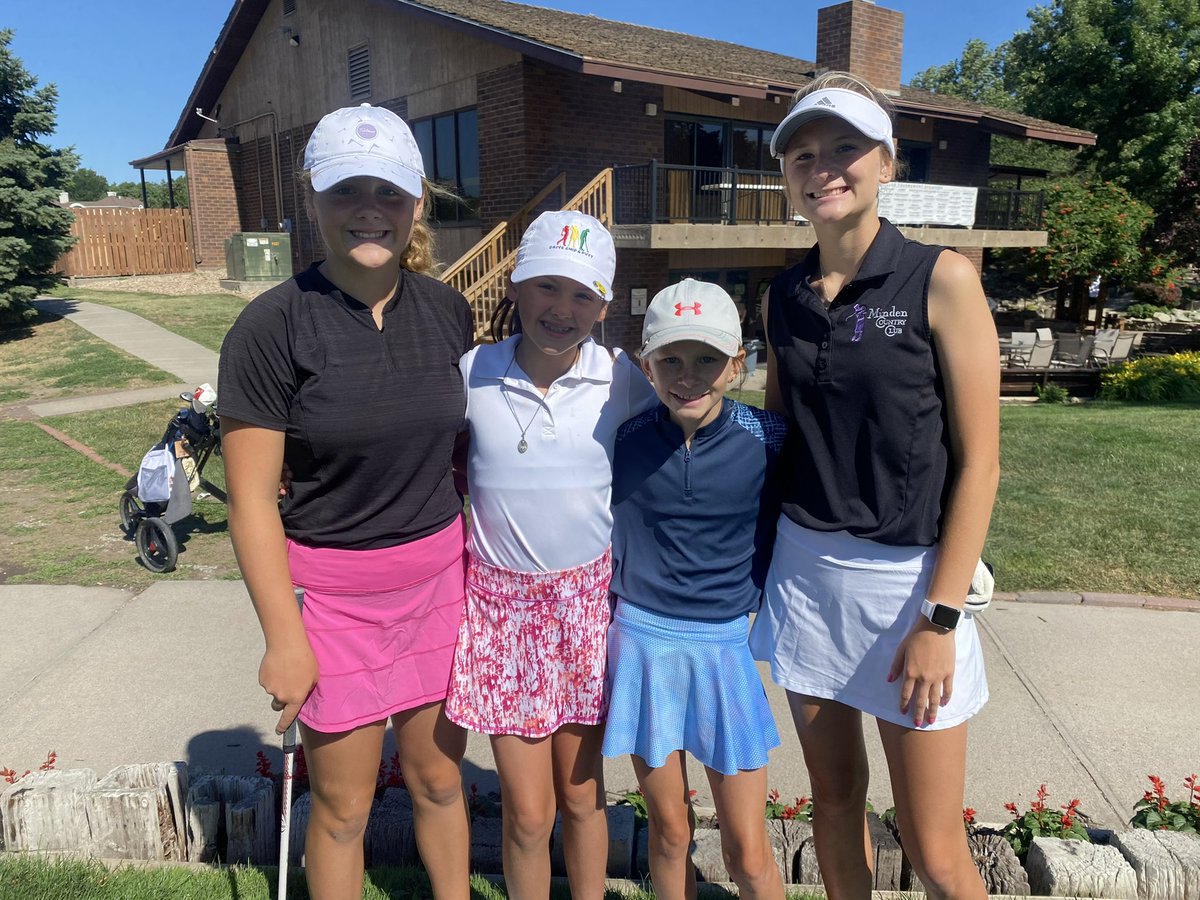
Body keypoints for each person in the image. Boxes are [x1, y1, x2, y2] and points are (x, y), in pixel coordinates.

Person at [748, 72, 1001, 900]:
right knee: (833, 800)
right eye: (803, 156)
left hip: (909, 594)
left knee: (934, 847)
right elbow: (778, 437)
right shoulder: (782, 296)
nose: (823, 168)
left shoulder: (942, 278)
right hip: (806, 580)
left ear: (887, 163)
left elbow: (981, 463)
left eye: (845, 148)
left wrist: (941, 617)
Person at [218, 103, 473, 900]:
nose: (370, 209)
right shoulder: (270, 328)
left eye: (389, 192)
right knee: (342, 808)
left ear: (417, 202)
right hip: (331, 603)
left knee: (440, 782)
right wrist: (282, 638)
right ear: (313, 199)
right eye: (347, 191)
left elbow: (464, 453)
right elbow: (251, 502)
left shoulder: (449, 311)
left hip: (440, 586)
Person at [444, 210, 658, 900]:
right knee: (529, 813)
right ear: (515, 285)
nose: (563, 309)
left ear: (603, 305)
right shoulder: (474, 371)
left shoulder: (621, 379)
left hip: (586, 611)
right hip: (500, 615)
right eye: (547, 287)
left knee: (582, 797)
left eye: (582, 295)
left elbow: (685, 433)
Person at [604, 279, 787, 900]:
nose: (688, 376)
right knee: (670, 831)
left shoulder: (771, 439)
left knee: (747, 849)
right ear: (645, 364)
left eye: (707, 359)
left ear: (738, 363)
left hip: (724, 650)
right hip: (642, 644)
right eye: (671, 359)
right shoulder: (622, 438)